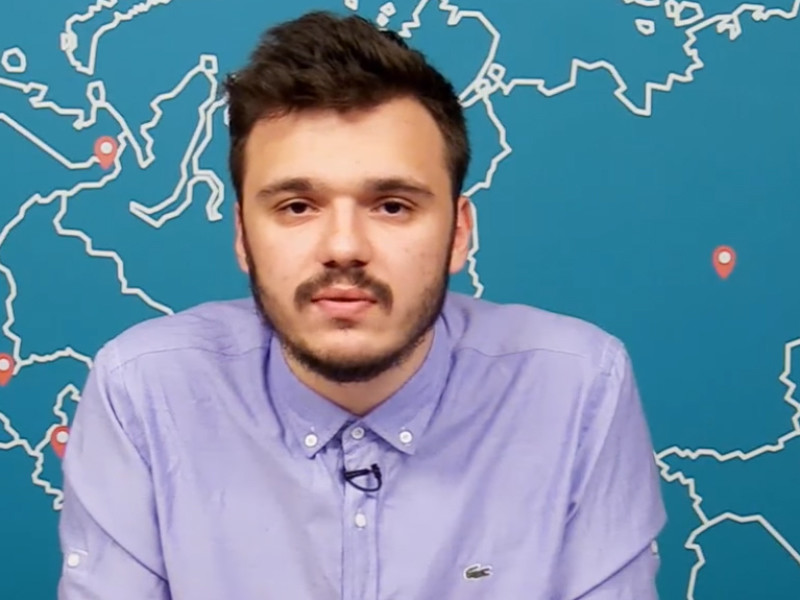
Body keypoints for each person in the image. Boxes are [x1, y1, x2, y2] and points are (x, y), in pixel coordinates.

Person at [57, 10, 666, 600]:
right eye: (297, 207)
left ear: (459, 233)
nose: (343, 248)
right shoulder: (143, 393)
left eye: (392, 206)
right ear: (242, 235)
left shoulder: (578, 389)